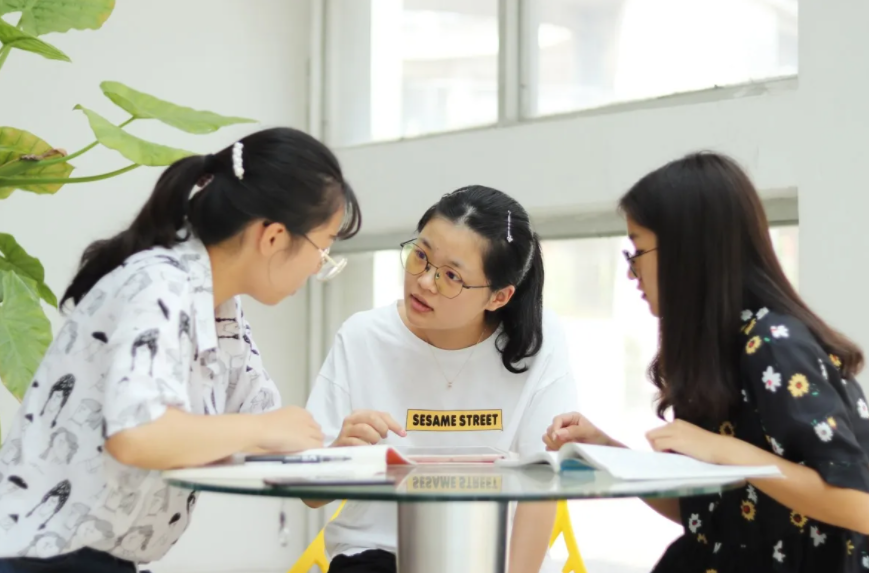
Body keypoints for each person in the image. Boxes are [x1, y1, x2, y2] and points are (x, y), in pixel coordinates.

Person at [0, 127, 361, 573]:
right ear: (272, 237)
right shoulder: (158, 284)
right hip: (40, 556)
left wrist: (332, 449)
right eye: (322, 251)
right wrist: (266, 430)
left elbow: (259, 422)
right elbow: (139, 435)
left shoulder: (221, 306)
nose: (316, 268)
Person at [545, 152, 869, 573]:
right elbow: (706, 516)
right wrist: (608, 451)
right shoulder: (713, 354)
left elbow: (857, 505)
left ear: (688, 252)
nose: (631, 273)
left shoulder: (774, 346)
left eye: (637, 251)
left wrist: (726, 451)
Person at [305, 185, 578, 573]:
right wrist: (338, 452)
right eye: (420, 256)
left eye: (451, 275)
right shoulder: (363, 336)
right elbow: (310, 497)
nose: (425, 281)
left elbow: (541, 484)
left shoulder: (538, 343)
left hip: (493, 559)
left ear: (498, 297)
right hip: (379, 553)